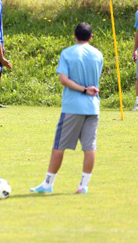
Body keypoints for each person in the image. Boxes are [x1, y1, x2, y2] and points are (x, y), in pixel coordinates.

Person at [30, 23, 103, 194]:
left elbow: (63, 79)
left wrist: (83, 89)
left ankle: (48, 185)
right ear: (91, 37)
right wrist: (88, 90)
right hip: (93, 107)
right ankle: (83, 186)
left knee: (59, 146)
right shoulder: (98, 54)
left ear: (74, 35)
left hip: (73, 106)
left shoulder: (68, 53)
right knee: (89, 147)